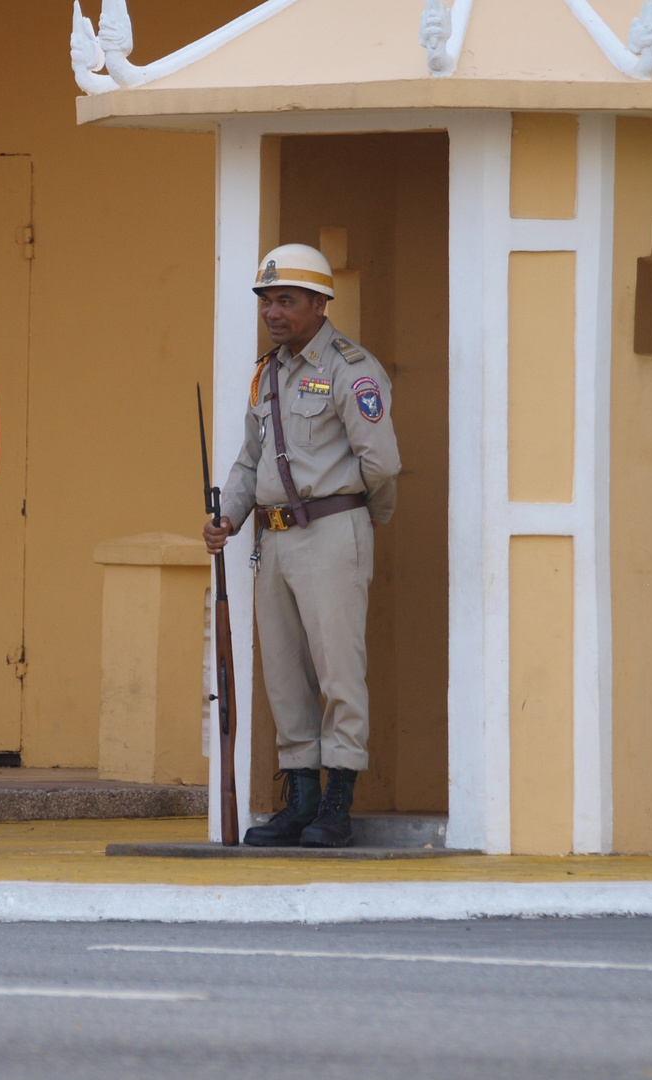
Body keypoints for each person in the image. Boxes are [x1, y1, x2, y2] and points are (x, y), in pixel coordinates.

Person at [204, 244, 401, 848]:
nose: (273, 312)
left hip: (333, 530)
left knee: (339, 671)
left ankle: (336, 804)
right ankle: (302, 799)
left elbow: (382, 464)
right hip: (276, 539)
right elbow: (248, 458)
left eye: (286, 300)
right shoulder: (268, 372)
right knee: (284, 673)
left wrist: (363, 522)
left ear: (319, 303)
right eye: (266, 300)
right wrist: (229, 518)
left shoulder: (351, 368)